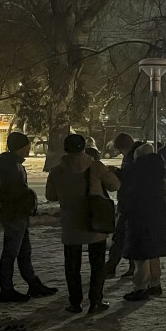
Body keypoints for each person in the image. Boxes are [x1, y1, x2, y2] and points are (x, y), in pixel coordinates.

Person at [46, 134, 121, 314]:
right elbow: (114, 186)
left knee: (72, 266)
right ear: (83, 148)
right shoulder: (96, 166)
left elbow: (50, 196)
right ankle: (96, 301)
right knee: (97, 264)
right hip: (94, 221)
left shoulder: (56, 171)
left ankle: (75, 302)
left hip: (71, 222)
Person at [0, 132, 57, 303]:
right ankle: (7, 289)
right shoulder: (11, 166)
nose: (30, 148)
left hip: (16, 214)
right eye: (27, 145)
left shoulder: (11, 164)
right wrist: (29, 198)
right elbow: (12, 193)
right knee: (12, 253)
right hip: (14, 215)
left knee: (23, 251)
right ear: (21, 147)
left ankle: (33, 284)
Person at [121, 143, 166, 301]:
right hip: (158, 217)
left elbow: (131, 196)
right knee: (154, 253)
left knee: (141, 255)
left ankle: (140, 287)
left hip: (141, 218)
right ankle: (155, 284)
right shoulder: (159, 169)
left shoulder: (138, 172)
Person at [105, 132, 145, 278]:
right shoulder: (135, 156)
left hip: (130, 203)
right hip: (132, 203)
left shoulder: (133, 157)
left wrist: (117, 172)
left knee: (121, 236)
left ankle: (112, 266)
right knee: (127, 236)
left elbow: (131, 179)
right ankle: (129, 266)